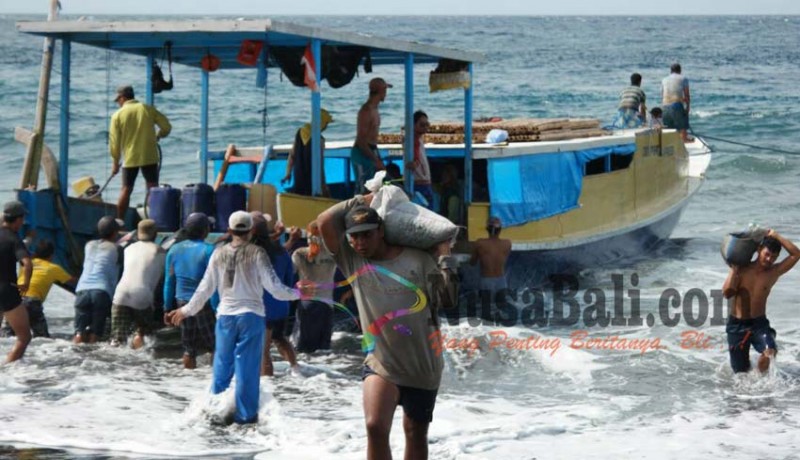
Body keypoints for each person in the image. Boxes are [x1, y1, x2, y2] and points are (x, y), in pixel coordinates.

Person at [317, 197, 459, 460]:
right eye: (354, 237)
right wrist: (362, 199)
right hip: (382, 363)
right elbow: (324, 221)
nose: (360, 243)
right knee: (374, 426)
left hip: (422, 365)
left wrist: (445, 257)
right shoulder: (353, 262)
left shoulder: (417, 260)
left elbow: (448, 300)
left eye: (366, 235)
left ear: (381, 231)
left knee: (415, 432)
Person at [167, 211, 311, 425]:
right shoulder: (257, 253)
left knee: (221, 367)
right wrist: (299, 293)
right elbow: (276, 289)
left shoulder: (218, 253)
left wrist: (185, 311)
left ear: (230, 230)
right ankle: (245, 418)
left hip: (225, 317)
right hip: (251, 316)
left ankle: (214, 413)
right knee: (247, 369)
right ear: (251, 230)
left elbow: (204, 289)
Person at [722, 230, 800, 374]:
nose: (769, 259)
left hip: (759, 324)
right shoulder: (742, 269)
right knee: (740, 372)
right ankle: (746, 391)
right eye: (767, 254)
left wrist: (775, 235)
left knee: (769, 352)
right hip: (737, 325)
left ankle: (759, 385)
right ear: (759, 250)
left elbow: (796, 254)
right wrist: (734, 271)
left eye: (774, 257)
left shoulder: (774, 272)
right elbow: (727, 294)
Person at [109, 85, 172, 219]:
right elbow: (166, 126)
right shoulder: (147, 109)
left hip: (130, 158)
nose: (118, 103)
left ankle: (120, 221)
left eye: (118, 100)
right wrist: (158, 135)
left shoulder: (117, 115)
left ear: (123, 98)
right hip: (149, 156)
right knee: (152, 189)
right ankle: (153, 220)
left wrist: (115, 162)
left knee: (126, 189)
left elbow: (114, 143)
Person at [250, 211, 301, 377]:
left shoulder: (252, 253)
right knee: (280, 339)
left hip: (264, 308)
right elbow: (288, 279)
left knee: (262, 352)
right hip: (282, 306)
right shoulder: (281, 251)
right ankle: (296, 370)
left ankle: (269, 387)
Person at [163, 213, 216, 369]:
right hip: (203, 303)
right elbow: (214, 283)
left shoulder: (174, 249)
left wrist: (167, 308)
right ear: (205, 230)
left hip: (181, 303)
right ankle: (215, 386)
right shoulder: (209, 250)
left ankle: (188, 384)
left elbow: (169, 281)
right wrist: (216, 307)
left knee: (189, 349)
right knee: (216, 346)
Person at [1, 240, 76, 339]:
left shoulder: (26, 264)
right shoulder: (53, 268)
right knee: (42, 337)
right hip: (32, 302)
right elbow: (72, 281)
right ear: (51, 255)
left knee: (6, 334)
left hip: (15, 299)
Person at [111, 219, 166, 349]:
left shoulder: (128, 249)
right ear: (155, 234)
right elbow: (163, 278)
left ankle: (112, 364)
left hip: (120, 293)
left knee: (117, 338)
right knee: (141, 333)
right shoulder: (159, 251)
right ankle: (138, 362)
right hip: (142, 294)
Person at [73, 216, 122, 344]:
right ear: (115, 233)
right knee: (95, 332)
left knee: (79, 331)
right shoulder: (117, 248)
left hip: (81, 290)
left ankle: (74, 354)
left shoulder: (89, 245)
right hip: (101, 291)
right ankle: (92, 360)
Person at [291, 220, 337, 353]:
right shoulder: (333, 254)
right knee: (324, 352)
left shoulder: (299, 253)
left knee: (302, 351)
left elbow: (289, 273)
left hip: (307, 304)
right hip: (327, 306)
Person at [0, 201, 33, 363]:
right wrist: (25, 283)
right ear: (17, 219)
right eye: (22, 218)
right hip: (7, 290)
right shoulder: (13, 239)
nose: (23, 222)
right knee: (24, 337)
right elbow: (27, 264)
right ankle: (6, 368)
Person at [351, 78, 391, 194]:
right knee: (364, 190)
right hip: (363, 152)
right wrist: (375, 160)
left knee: (379, 186)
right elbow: (361, 140)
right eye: (385, 90)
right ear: (381, 91)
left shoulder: (375, 109)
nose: (386, 94)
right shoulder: (366, 110)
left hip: (372, 149)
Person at [282, 109, 333, 197]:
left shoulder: (300, 132)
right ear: (322, 124)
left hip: (299, 176)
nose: (326, 127)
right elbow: (319, 165)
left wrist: (288, 173)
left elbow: (292, 155)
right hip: (311, 179)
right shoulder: (319, 140)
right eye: (326, 124)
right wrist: (324, 186)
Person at [470, 217, 512, 309]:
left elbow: (472, 262)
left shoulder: (479, 243)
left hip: (486, 280)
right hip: (501, 281)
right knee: (502, 310)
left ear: (487, 229)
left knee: (486, 310)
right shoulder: (507, 243)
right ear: (500, 230)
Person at [405, 110, 434, 209]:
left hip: (423, 182)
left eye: (427, 124)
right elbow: (415, 158)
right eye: (422, 125)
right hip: (420, 183)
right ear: (413, 125)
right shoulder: (414, 140)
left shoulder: (418, 139)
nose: (425, 127)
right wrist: (415, 163)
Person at [661, 63, 692, 142]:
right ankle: (684, 139)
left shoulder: (664, 79)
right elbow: (687, 95)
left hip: (665, 106)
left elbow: (663, 94)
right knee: (682, 125)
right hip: (676, 105)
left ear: (671, 71)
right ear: (680, 71)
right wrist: (687, 107)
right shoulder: (683, 78)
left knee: (668, 128)